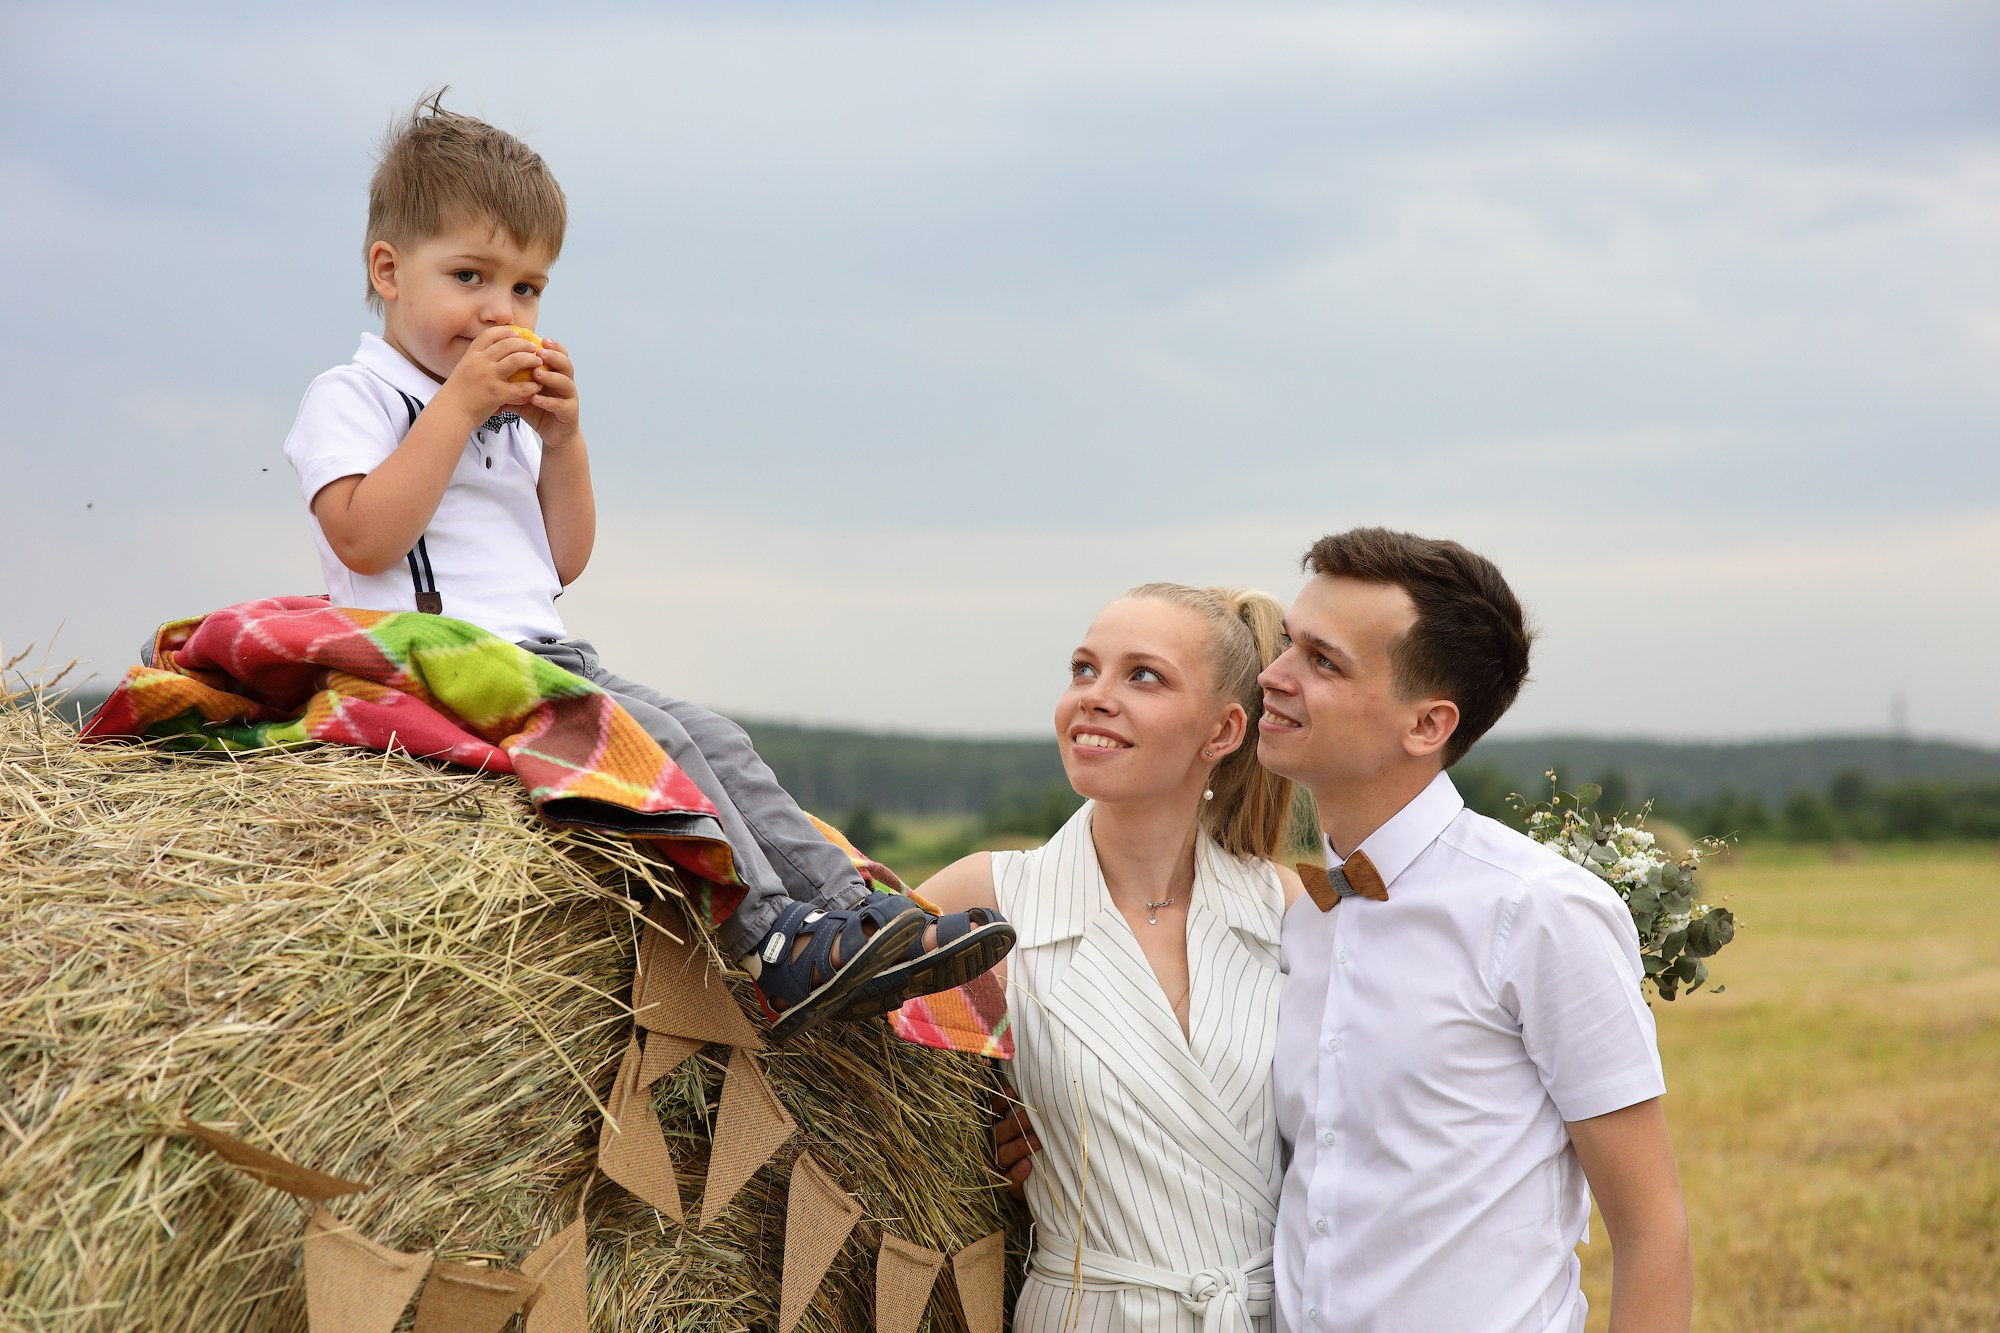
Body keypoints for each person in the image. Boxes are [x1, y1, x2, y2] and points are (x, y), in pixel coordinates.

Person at [280, 92, 1010, 1041]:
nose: (502, 310)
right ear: (388, 270)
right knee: (653, 735)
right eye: (471, 276)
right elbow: (362, 537)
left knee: (715, 735)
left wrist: (565, 438)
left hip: (539, 652)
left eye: (529, 289)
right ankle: (775, 942)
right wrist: (455, 410)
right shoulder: (354, 396)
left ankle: (865, 916)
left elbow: (564, 558)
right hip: (424, 657)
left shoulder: (505, 417)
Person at [1255, 528, 1693, 1333]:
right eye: (1289, 643)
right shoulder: (1291, 914)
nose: (1271, 677)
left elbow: (1650, 1227)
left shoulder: (1542, 912)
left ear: (1427, 725)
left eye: (1321, 661)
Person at [923, 583, 1306, 1333]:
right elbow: (828, 1038)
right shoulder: (986, 896)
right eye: (1082, 670)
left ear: (1224, 731)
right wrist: (967, 1129)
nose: (1094, 696)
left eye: (1143, 675)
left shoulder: (1285, 909)